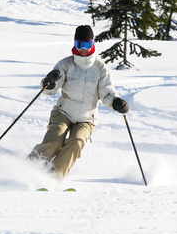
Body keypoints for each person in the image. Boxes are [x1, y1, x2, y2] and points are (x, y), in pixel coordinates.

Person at [28, 25, 129, 181]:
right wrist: (49, 83)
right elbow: (49, 91)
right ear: (74, 43)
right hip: (63, 112)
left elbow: (106, 92)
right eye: (79, 44)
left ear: (92, 44)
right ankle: (28, 168)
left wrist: (116, 102)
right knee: (54, 142)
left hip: (87, 118)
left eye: (87, 44)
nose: (83, 49)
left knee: (76, 142)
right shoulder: (65, 64)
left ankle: (52, 178)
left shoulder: (101, 68)